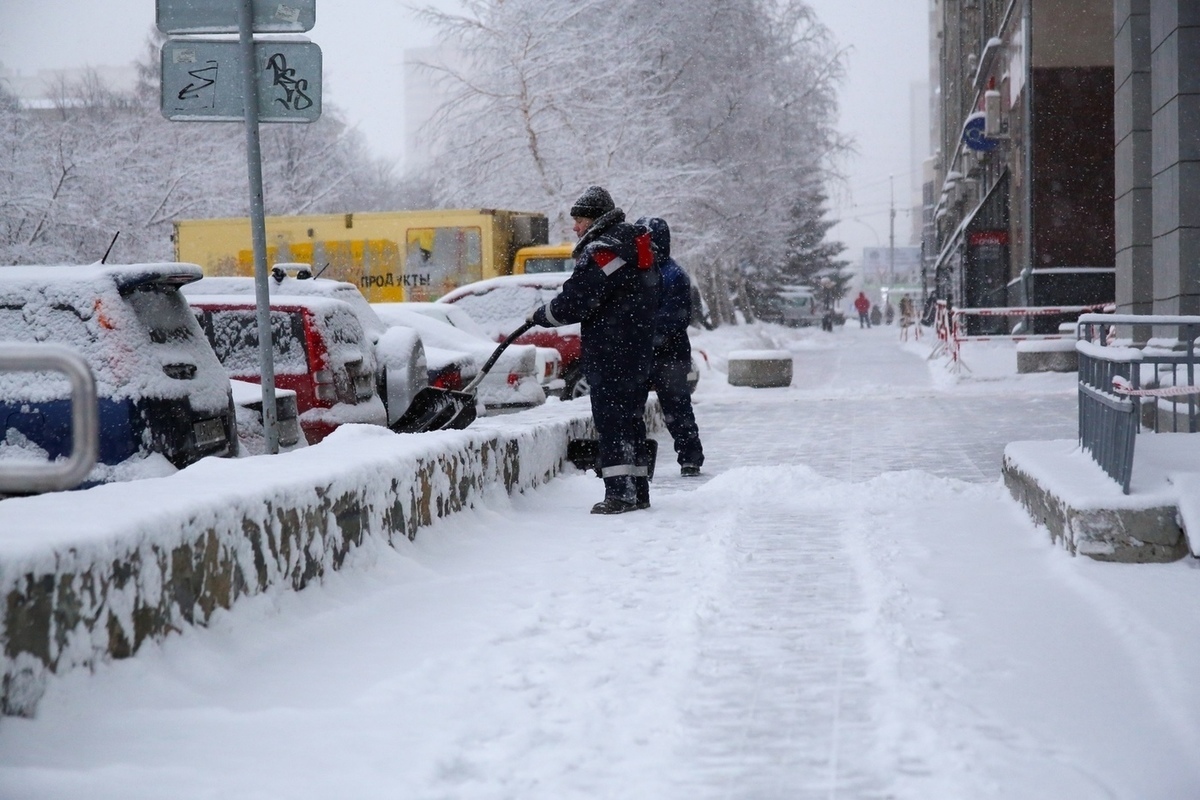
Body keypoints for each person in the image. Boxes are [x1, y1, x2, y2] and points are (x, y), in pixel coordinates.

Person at [528, 186, 660, 514]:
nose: (575, 227)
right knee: (631, 418)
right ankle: (637, 490)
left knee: (613, 420)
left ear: (596, 219)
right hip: (637, 346)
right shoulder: (636, 246)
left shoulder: (604, 250)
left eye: (580, 219)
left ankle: (619, 494)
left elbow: (578, 299)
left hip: (611, 349)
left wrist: (544, 316)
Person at [636, 216, 704, 478]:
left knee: (676, 408)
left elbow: (675, 317)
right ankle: (638, 459)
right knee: (635, 410)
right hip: (647, 354)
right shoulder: (640, 272)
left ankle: (690, 458)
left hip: (669, 356)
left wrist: (645, 335)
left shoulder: (674, 275)